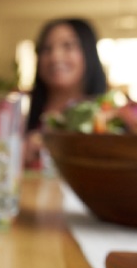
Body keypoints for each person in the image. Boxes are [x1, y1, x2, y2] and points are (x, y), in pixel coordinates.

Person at [23, 18, 107, 169]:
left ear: (88, 52)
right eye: (46, 49)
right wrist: (19, 154)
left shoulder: (110, 116)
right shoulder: (16, 113)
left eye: (68, 46)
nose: (55, 57)